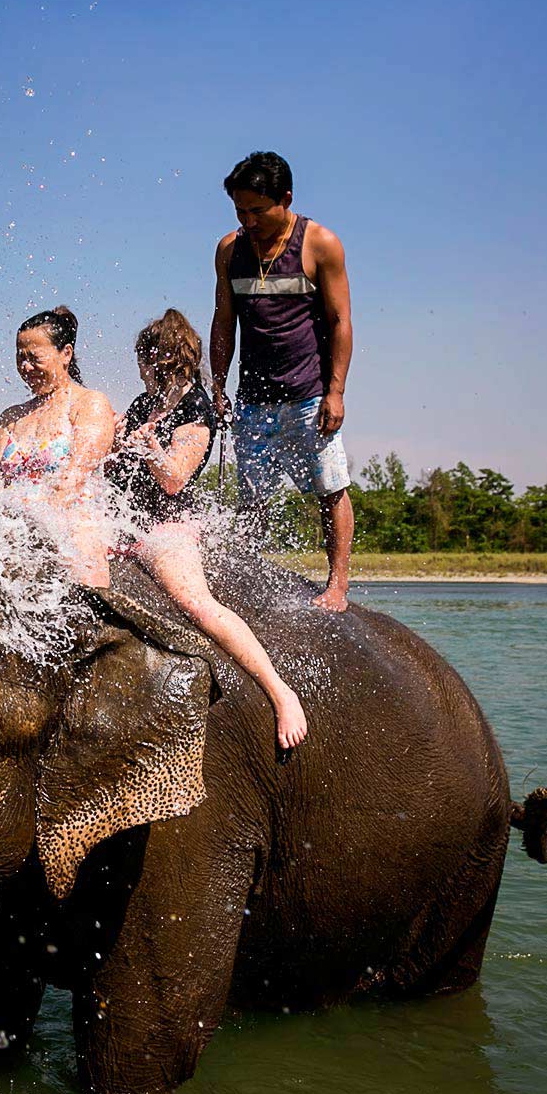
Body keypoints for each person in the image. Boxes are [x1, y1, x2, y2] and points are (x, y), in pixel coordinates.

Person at [105, 309, 308, 752]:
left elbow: (174, 477)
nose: (139, 372)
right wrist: (114, 441)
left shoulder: (196, 407)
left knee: (197, 606)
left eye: (143, 362)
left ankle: (279, 692)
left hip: (167, 527)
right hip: (121, 521)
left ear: (163, 361)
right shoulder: (145, 405)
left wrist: (154, 449)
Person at [210, 151, 355, 611]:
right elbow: (223, 319)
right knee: (251, 499)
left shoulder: (320, 244)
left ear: (285, 199)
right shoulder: (229, 250)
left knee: (329, 490)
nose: (247, 219)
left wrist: (336, 391)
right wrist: (217, 384)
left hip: (310, 395)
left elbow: (340, 321)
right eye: (239, 210)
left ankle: (337, 585)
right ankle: (244, 581)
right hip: (253, 399)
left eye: (256, 210)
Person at [0, 306, 118, 587]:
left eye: (35, 358)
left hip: (71, 523)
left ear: (65, 354)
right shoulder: (9, 418)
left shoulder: (89, 404)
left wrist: (30, 531)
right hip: (13, 526)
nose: (25, 367)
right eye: (20, 358)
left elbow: (73, 481)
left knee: (87, 589)